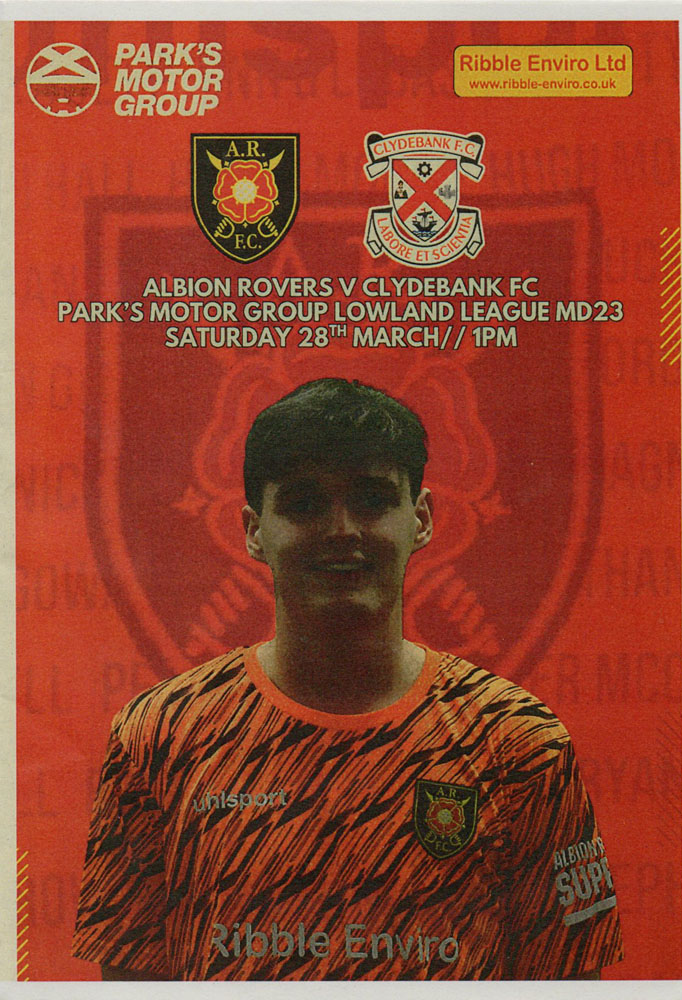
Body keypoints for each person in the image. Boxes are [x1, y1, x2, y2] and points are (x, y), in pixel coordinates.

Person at [72, 378, 623, 981]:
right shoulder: (159, 736)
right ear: (254, 530)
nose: (341, 529)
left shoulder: (520, 744)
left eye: (371, 499)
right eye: (304, 503)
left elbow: (571, 983)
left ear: (421, 519)